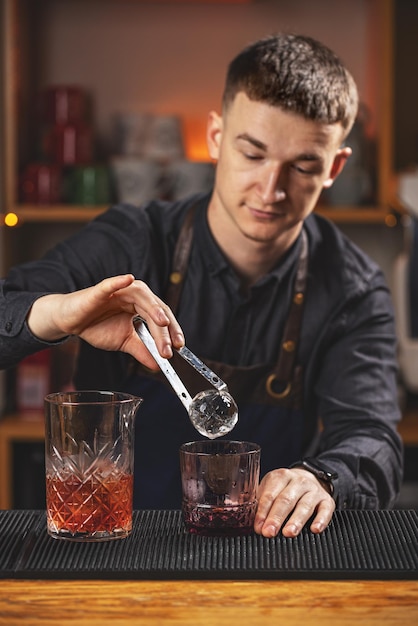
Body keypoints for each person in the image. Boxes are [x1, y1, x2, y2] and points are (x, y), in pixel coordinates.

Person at [0, 33, 403, 538]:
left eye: (303, 166)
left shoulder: (352, 289)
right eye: (252, 153)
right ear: (215, 137)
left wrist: (322, 478)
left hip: (264, 556)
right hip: (116, 544)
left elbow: (373, 439)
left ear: (335, 168)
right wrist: (58, 314)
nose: (271, 189)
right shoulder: (133, 241)